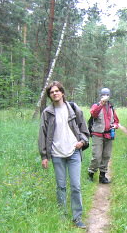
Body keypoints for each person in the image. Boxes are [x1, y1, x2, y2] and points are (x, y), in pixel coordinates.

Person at [38, 81, 89, 229]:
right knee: (60, 186)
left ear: (62, 92)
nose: (54, 93)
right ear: (50, 95)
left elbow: (84, 130)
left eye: (57, 91)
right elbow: (42, 134)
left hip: (73, 152)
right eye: (51, 92)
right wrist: (44, 156)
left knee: (76, 186)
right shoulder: (47, 113)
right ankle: (61, 215)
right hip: (57, 154)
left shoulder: (73, 109)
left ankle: (77, 217)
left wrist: (82, 141)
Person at [88, 88, 119, 184]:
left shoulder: (111, 107)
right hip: (97, 135)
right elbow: (93, 114)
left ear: (109, 96)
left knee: (106, 156)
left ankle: (102, 176)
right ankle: (91, 173)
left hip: (108, 134)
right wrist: (101, 104)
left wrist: (115, 125)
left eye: (107, 95)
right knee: (97, 156)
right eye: (103, 95)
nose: (105, 97)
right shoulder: (96, 106)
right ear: (100, 96)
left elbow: (116, 121)